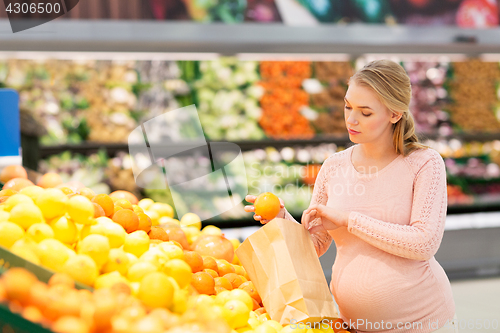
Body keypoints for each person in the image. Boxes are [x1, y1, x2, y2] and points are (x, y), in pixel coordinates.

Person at [245, 59, 458, 333]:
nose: (351, 119)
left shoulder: (424, 164)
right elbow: (316, 243)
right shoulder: (334, 166)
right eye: (348, 106)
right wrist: (282, 219)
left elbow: (424, 243)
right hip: (354, 325)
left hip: (422, 324)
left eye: (365, 113)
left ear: (394, 114)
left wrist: (348, 220)